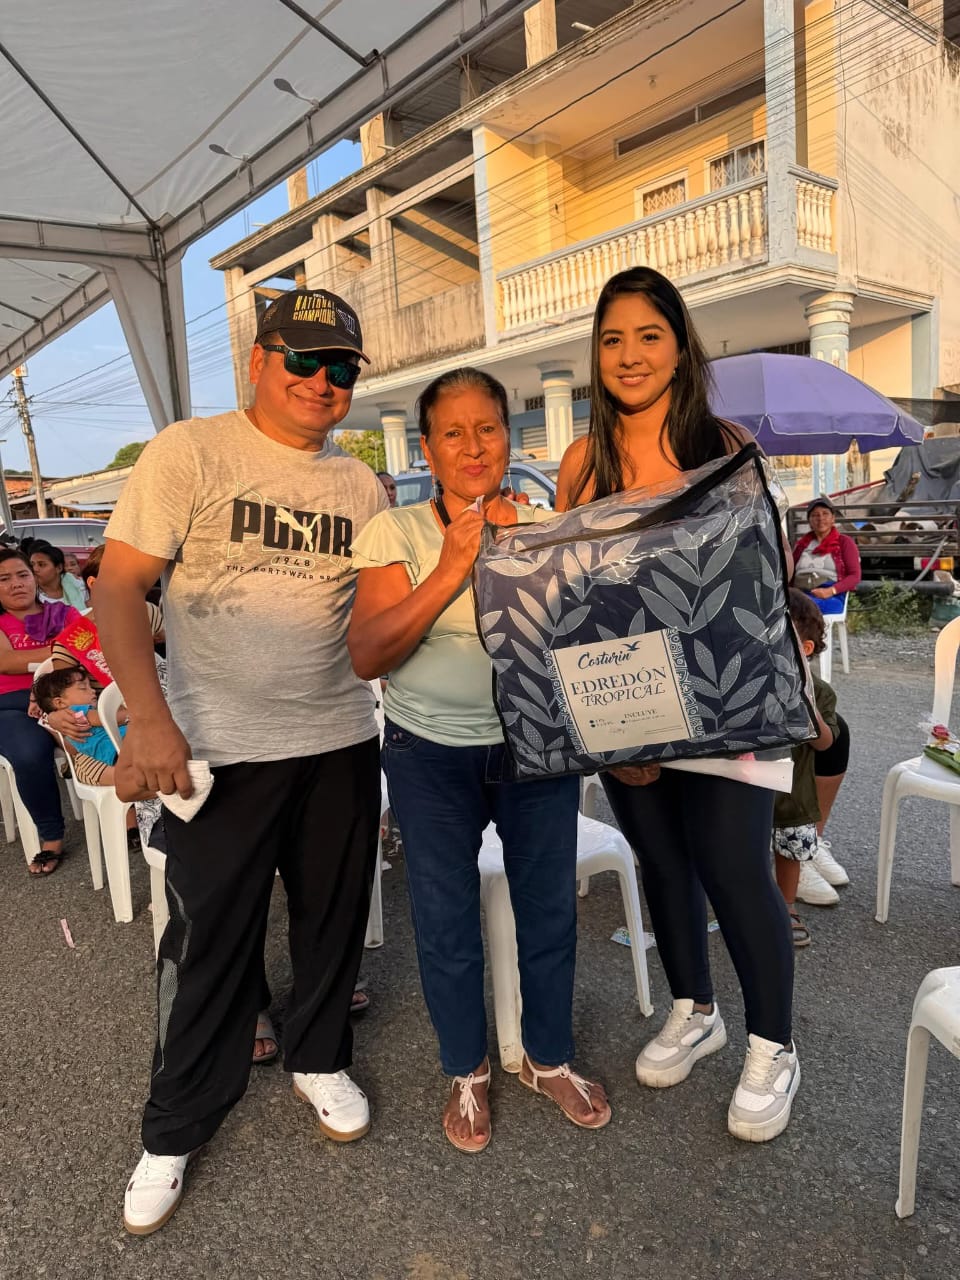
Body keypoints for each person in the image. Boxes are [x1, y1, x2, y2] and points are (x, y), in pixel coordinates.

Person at [95, 287, 387, 1235]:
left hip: (339, 739)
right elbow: (119, 587)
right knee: (208, 941)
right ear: (258, 362)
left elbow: (377, 617)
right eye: (302, 359)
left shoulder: (360, 486)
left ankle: (319, 1057)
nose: (321, 381)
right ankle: (174, 1126)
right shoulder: (190, 451)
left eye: (339, 368)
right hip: (218, 748)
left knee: (332, 923)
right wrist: (148, 722)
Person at [556, 266, 799, 1142]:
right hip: (628, 700)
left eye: (649, 336)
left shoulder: (724, 444)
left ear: (679, 346)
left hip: (727, 699)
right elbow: (570, 597)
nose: (630, 355)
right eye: (612, 338)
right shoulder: (582, 462)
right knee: (662, 862)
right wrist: (609, 730)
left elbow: (765, 572)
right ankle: (696, 1008)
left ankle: (774, 1044)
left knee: (733, 867)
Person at [349, 367, 610, 1155]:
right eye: (452, 433)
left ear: (507, 436)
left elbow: (585, 642)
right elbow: (369, 653)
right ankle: (465, 1068)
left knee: (549, 908)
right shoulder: (395, 531)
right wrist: (451, 566)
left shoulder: (545, 526)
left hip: (537, 747)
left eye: (487, 428)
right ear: (427, 450)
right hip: (428, 752)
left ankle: (547, 1057)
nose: (472, 446)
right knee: (445, 915)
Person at [0, 549, 83, 874]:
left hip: (62, 697)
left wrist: (39, 661)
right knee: (30, 753)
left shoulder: (63, 613)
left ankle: (129, 815)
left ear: (34, 579)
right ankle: (52, 837)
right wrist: (60, 650)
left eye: (23, 575)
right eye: (4, 579)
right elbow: (5, 662)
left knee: (93, 733)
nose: (16, 584)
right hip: (12, 705)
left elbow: (85, 648)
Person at [772, 591, 842, 947]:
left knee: (789, 852)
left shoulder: (821, 692)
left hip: (794, 793)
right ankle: (749, 906)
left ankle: (786, 908)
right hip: (753, 784)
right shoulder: (755, 682)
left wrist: (808, 710)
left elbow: (827, 743)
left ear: (806, 648)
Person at [33, 667, 127, 782]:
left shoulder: (69, 722)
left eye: (90, 686)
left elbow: (73, 750)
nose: (92, 691)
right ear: (60, 702)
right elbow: (109, 719)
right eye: (83, 688)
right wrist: (135, 713)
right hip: (121, 746)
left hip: (115, 755)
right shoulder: (75, 713)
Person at [791, 497, 861, 615]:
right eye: (815, 515)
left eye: (825, 514)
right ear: (809, 521)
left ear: (833, 518)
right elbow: (790, 573)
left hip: (829, 595)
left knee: (805, 607)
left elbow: (855, 576)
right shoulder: (801, 545)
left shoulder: (844, 542)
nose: (820, 518)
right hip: (800, 594)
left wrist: (830, 591)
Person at [29, 540, 87, 610]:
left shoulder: (80, 587)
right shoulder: (29, 595)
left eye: (41, 565)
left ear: (59, 568)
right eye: (32, 565)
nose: (35, 569)